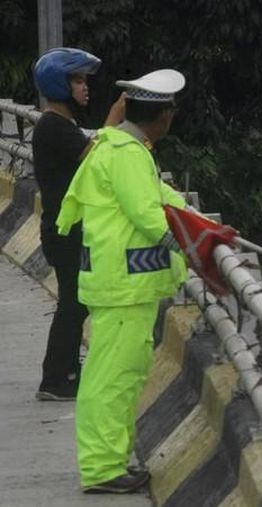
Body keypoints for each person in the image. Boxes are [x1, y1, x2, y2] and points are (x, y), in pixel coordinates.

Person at [56, 69, 189, 494]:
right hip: (123, 287)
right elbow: (147, 215)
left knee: (118, 376)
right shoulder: (128, 154)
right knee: (113, 379)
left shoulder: (117, 145)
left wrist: (197, 223)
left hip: (120, 286)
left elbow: (159, 198)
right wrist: (194, 247)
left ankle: (109, 462)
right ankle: (102, 469)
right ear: (164, 115)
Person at [32, 48, 126, 401]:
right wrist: (114, 120)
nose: (84, 87)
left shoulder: (60, 125)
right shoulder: (54, 126)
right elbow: (96, 158)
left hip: (66, 229)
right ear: (59, 83)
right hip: (64, 230)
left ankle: (63, 373)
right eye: (77, 80)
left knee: (76, 301)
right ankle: (56, 378)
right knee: (73, 302)